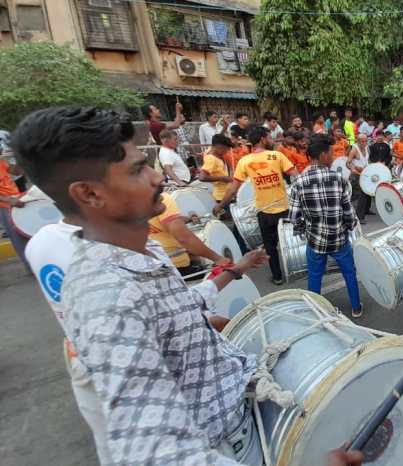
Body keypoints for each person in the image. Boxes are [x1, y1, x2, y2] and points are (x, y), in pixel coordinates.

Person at [12, 106, 272, 464]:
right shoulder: (106, 295)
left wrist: (233, 271)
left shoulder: (141, 247)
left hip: (241, 407)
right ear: (89, 194)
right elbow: (156, 453)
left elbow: (177, 309)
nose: (156, 178)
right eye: (137, 170)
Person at [289, 134, 363, 318]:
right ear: (322, 156)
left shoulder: (298, 182)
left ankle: (316, 311)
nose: (333, 157)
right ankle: (356, 307)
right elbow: (348, 211)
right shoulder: (338, 179)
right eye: (331, 153)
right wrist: (350, 225)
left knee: (315, 276)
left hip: (315, 241)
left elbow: (294, 217)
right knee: (349, 273)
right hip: (339, 239)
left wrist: (303, 230)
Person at [215, 126, 300, 285]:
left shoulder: (244, 161)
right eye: (269, 137)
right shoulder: (277, 156)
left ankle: (277, 276)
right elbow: (296, 177)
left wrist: (220, 206)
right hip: (284, 209)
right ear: (262, 139)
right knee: (290, 242)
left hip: (264, 212)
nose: (272, 139)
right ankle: (295, 270)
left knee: (270, 246)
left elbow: (233, 188)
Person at [149, 192, 230, 275]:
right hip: (174, 266)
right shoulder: (163, 198)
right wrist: (218, 259)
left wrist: (180, 220)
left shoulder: (136, 201)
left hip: (147, 268)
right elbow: (184, 238)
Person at [0, 155, 27, 268]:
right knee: (18, 238)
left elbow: (17, 171)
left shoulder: (1, 162)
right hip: (5, 205)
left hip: (16, 200)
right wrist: (8, 200)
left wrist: (21, 157)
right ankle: (32, 267)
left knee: (27, 233)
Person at [199, 134, 234, 203]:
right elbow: (202, 177)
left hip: (227, 194)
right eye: (225, 149)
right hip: (221, 197)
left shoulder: (219, 156)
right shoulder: (211, 159)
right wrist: (222, 178)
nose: (226, 151)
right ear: (219, 146)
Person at [347, 134, 371, 223]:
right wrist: (353, 168)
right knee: (362, 195)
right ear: (357, 141)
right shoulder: (354, 149)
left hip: (365, 174)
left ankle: (366, 210)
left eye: (365, 141)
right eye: (362, 141)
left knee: (368, 192)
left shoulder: (367, 148)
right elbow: (348, 162)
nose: (364, 143)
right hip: (356, 175)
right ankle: (359, 217)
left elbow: (367, 160)